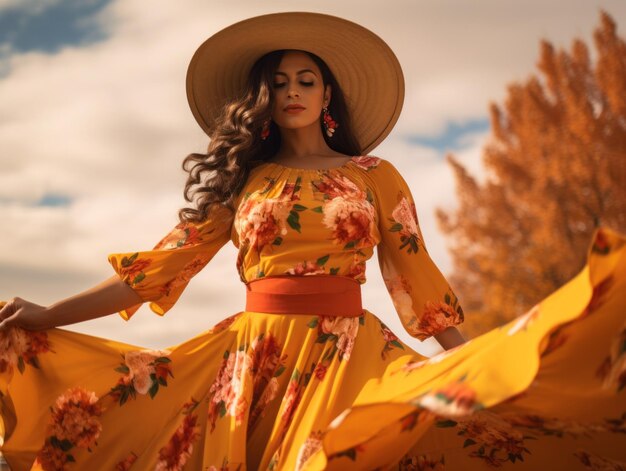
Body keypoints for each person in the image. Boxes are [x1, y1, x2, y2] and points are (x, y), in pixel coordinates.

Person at [0, 11, 624, 471]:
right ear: (261, 98)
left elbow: (417, 279)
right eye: (278, 81)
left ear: (328, 96)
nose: (292, 90)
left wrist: (476, 368)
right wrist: (51, 314)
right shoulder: (245, 181)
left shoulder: (373, 177)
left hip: (349, 357)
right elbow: (160, 268)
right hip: (250, 363)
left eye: (306, 80)